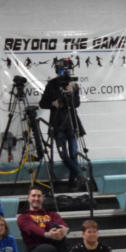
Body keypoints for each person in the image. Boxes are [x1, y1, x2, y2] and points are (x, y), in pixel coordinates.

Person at [41, 56, 86, 185]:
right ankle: (79, 174)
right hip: (58, 123)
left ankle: (74, 181)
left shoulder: (73, 85)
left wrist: (71, 93)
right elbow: (42, 104)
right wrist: (53, 103)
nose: (66, 72)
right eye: (63, 70)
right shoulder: (51, 85)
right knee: (63, 155)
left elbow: (76, 104)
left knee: (74, 154)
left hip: (72, 122)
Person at [16, 186, 68, 252]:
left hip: (53, 243)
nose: (36, 198)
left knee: (61, 237)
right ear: (28, 198)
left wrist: (61, 231)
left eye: (39, 196)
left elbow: (63, 225)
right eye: (33, 196)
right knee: (49, 249)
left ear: (43, 198)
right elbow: (33, 229)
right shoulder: (23, 217)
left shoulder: (51, 214)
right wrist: (48, 234)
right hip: (34, 249)